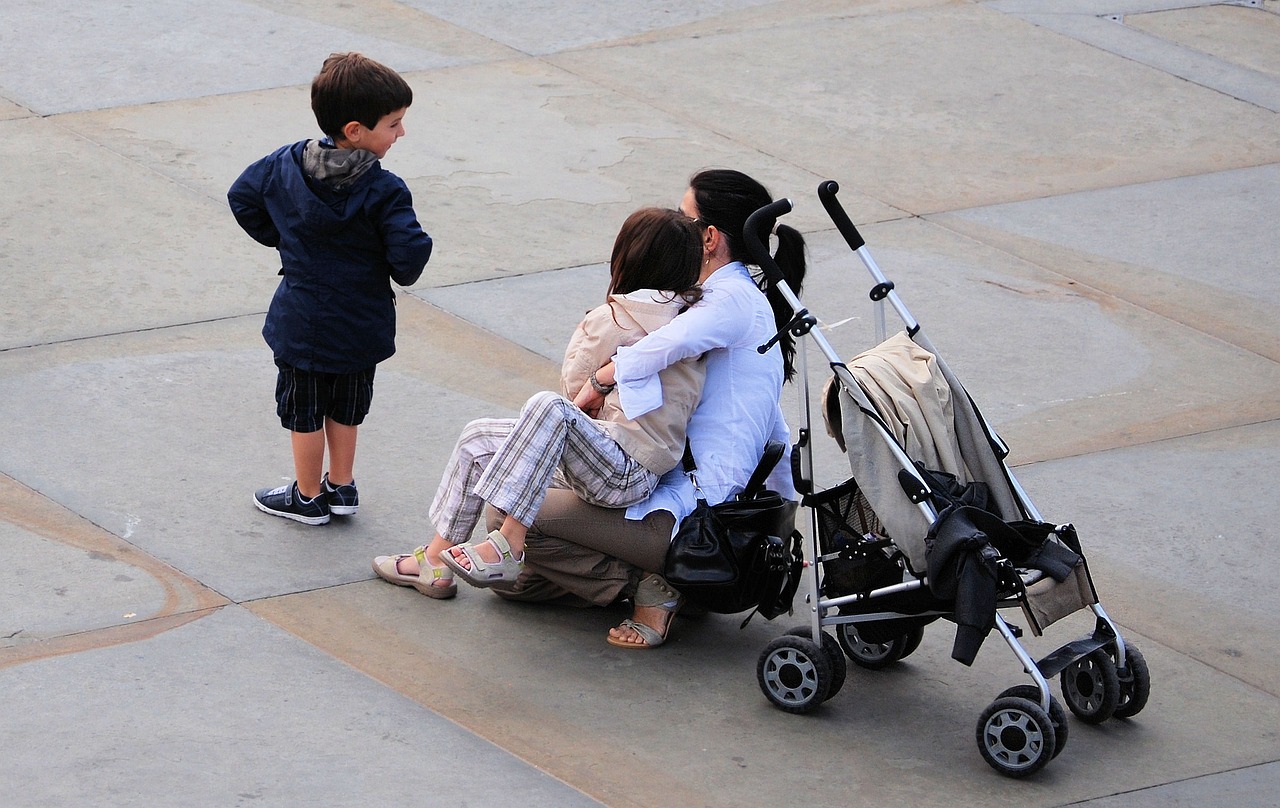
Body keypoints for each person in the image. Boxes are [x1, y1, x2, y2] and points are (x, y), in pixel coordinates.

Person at [499, 168, 807, 649]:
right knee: (515, 577)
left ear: (708, 237)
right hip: (701, 501)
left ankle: (658, 587)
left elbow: (654, 350)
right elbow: (774, 431)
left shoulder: (727, 302)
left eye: (683, 218)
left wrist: (599, 380)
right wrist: (783, 517)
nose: (673, 225)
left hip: (692, 514)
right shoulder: (743, 299)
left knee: (509, 508)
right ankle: (654, 583)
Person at [371, 207, 706, 598]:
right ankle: (435, 561)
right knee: (478, 438)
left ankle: (506, 544)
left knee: (548, 407)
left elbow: (573, 389)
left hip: (626, 471)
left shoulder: (614, 319)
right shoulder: (692, 320)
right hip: (633, 461)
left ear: (628, 256)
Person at [228, 52, 433, 525]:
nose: (401, 133)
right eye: (395, 124)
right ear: (358, 130)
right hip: (361, 323)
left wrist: (285, 238)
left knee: (303, 408)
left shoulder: (284, 164)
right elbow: (408, 258)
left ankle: (305, 495)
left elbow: (242, 197)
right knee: (347, 405)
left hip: (302, 321)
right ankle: (341, 486)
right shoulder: (385, 191)